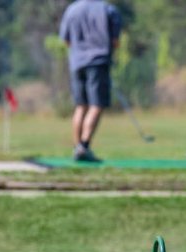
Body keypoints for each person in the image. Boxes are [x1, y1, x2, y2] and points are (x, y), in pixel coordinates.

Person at [59, 0, 122, 163]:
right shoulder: (109, 10)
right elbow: (115, 42)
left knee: (81, 106)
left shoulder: (72, 10)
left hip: (77, 62)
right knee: (96, 105)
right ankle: (85, 145)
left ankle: (76, 146)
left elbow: (66, 40)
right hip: (98, 61)